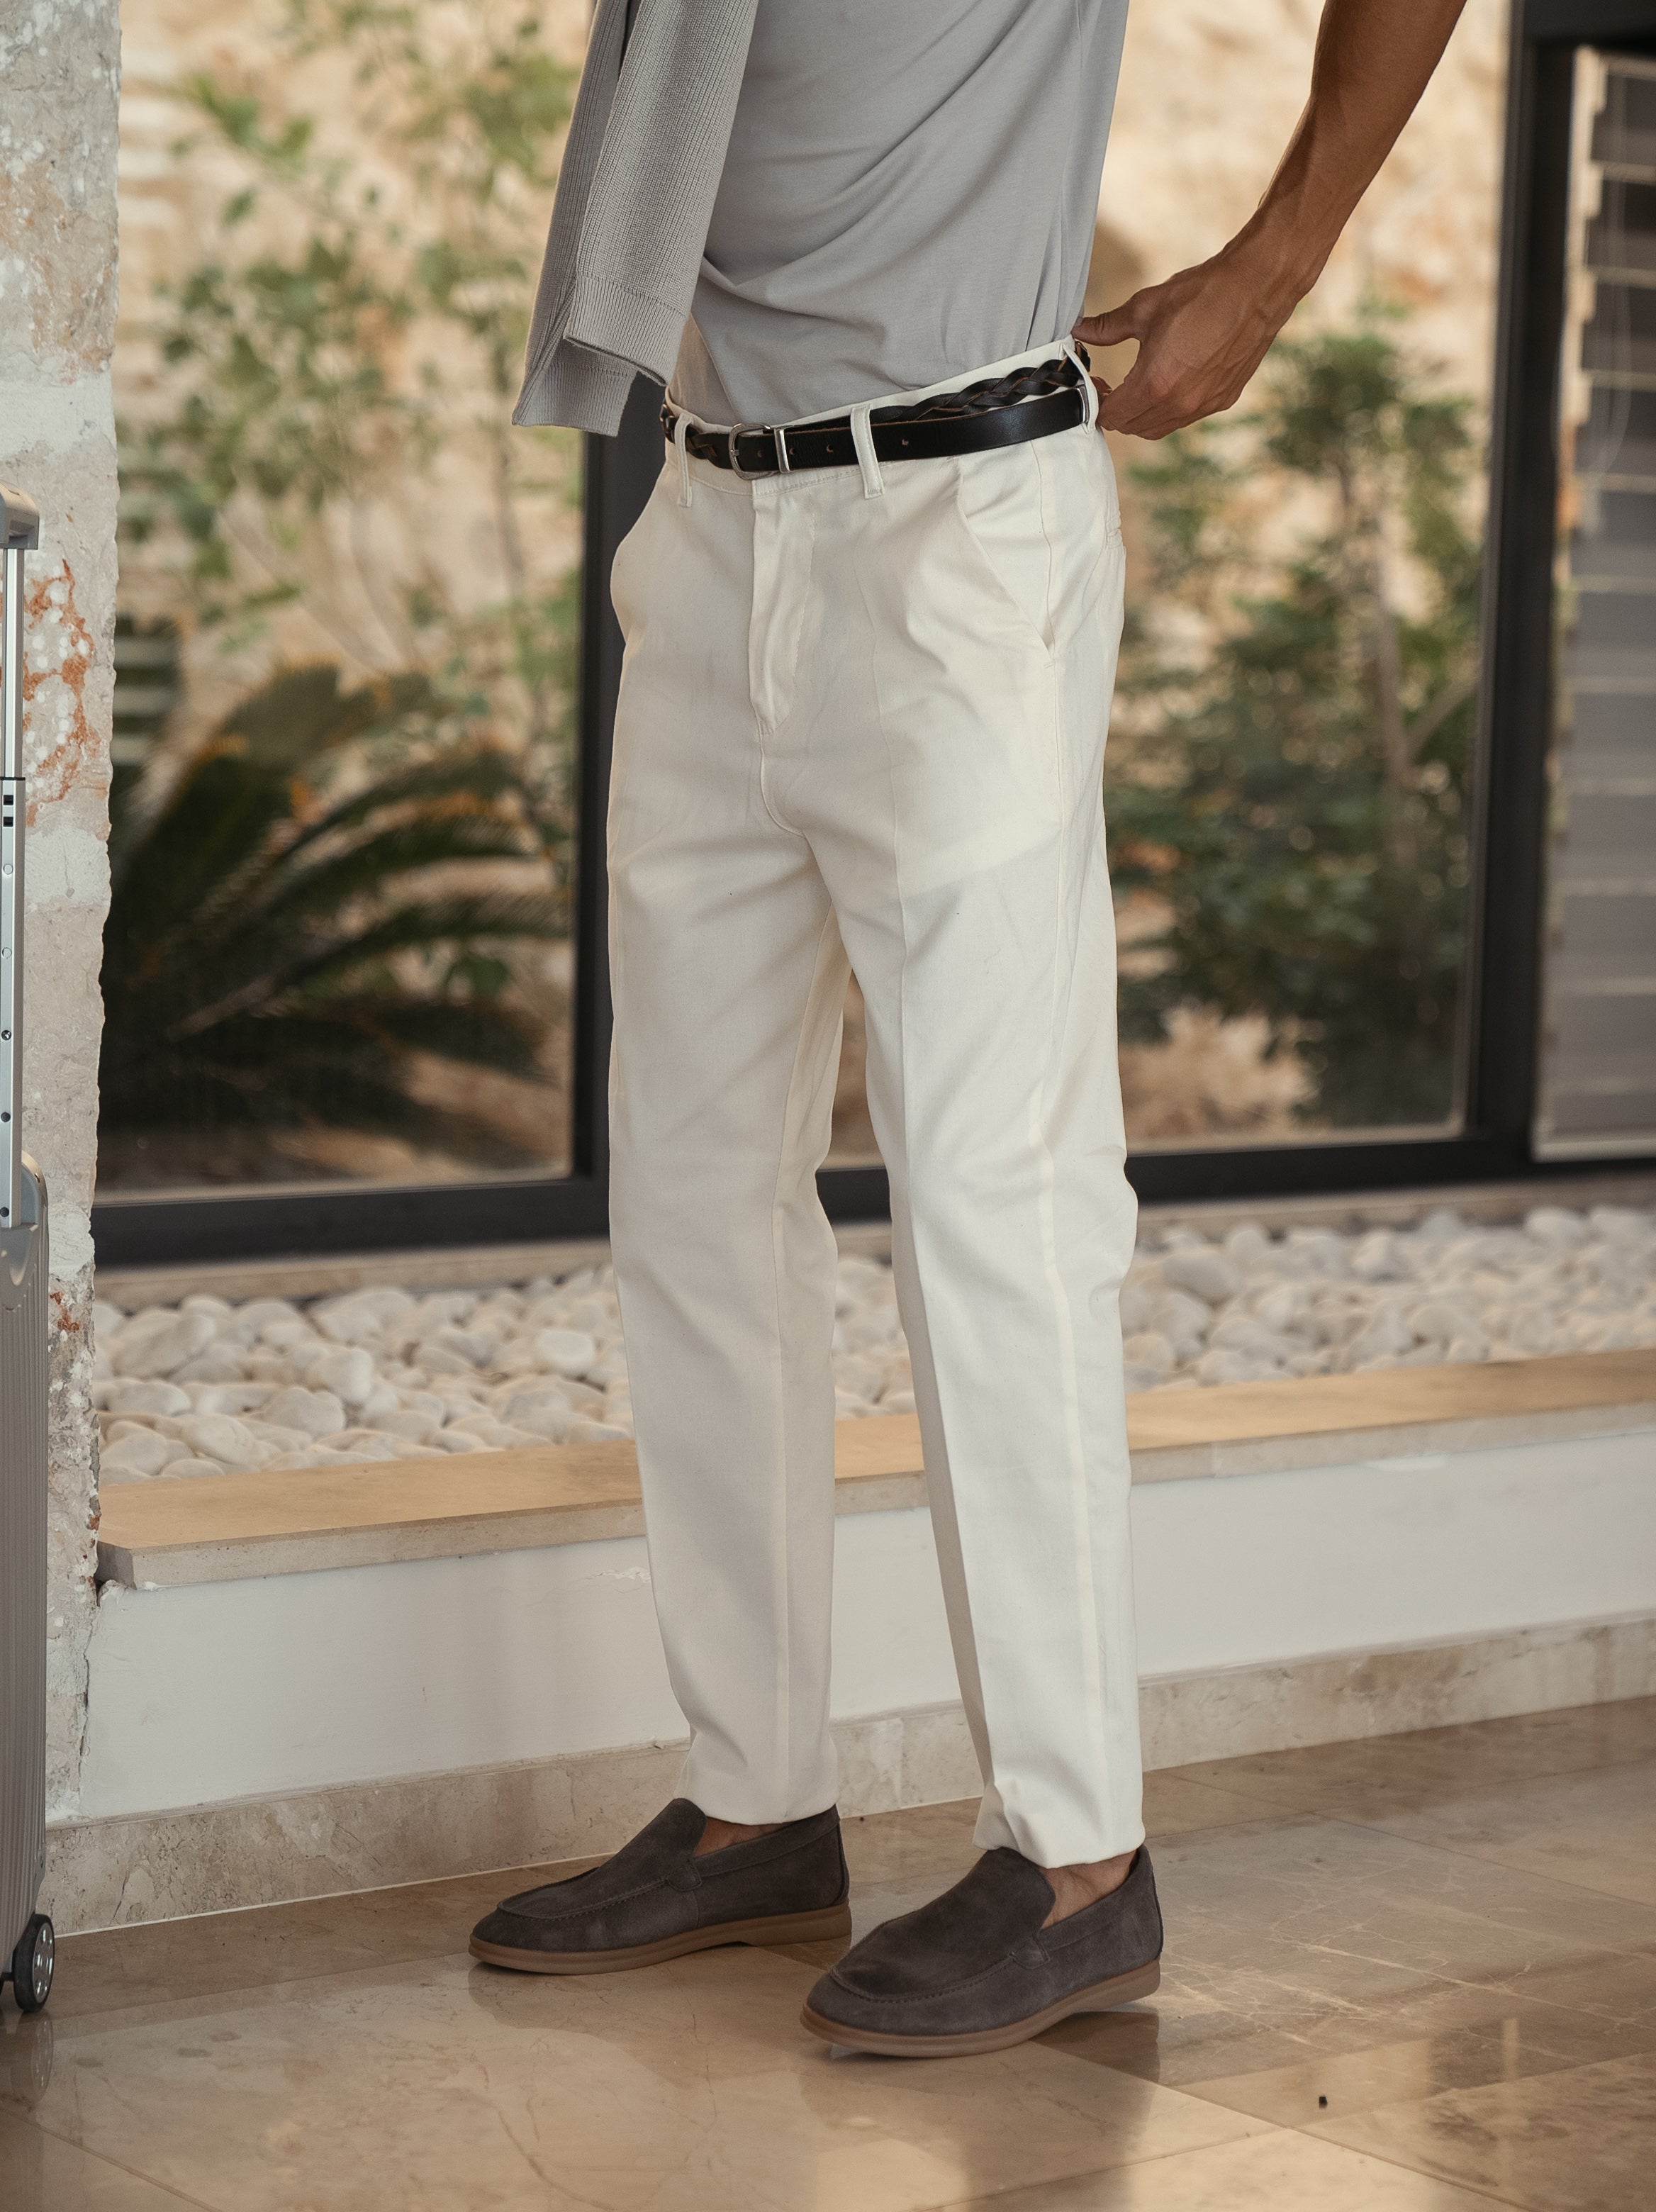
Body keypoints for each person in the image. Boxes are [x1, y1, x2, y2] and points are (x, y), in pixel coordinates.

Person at [471, 0, 1469, 2057]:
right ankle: (755, 1801)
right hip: (709, 517)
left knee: (1000, 1206)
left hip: (955, 535)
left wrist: (1274, 264)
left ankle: (1079, 1857)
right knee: (692, 1196)